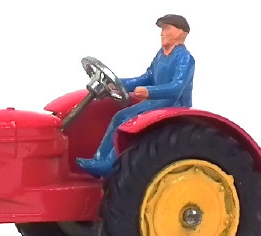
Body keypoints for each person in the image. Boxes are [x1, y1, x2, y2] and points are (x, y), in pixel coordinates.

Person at [77, 15, 195, 177]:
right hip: (155, 102)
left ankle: (110, 164)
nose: (162, 33)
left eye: (167, 28)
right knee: (119, 116)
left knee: (127, 121)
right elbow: (147, 77)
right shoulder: (161, 55)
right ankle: (99, 160)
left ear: (180, 33)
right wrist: (118, 83)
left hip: (173, 104)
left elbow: (176, 87)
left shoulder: (185, 58)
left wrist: (149, 92)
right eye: (162, 29)